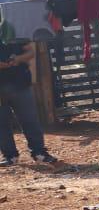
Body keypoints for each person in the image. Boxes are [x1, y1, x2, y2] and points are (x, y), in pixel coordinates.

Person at [0, 22, 57, 166]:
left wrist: (17, 59)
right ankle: (10, 156)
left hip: (20, 83)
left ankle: (39, 153)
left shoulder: (14, 28)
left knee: (30, 120)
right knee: (2, 123)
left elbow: (30, 52)